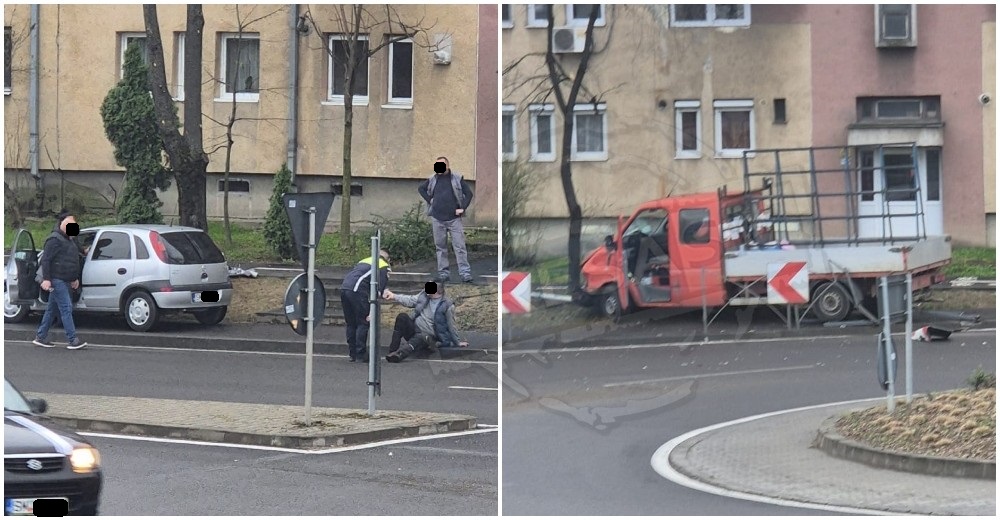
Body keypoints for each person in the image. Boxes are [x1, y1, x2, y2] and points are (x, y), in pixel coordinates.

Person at [33, 210, 88, 350]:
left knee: (52, 309)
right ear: (61, 223)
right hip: (57, 279)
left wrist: (74, 278)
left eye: (73, 222)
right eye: (69, 222)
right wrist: (46, 279)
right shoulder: (54, 240)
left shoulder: (71, 239)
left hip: (65, 279)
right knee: (66, 307)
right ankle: (72, 340)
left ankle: (40, 336)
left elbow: (74, 258)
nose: (72, 225)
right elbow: (46, 260)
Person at [418, 156, 475, 284]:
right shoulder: (432, 179)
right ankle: (444, 273)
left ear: (448, 166)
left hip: (454, 219)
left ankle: (465, 273)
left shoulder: (457, 178)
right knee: (440, 247)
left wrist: (462, 208)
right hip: (437, 218)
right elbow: (421, 189)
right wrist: (430, 200)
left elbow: (469, 194)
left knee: (459, 246)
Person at [383, 281, 468, 363]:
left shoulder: (447, 305)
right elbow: (410, 300)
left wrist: (457, 341)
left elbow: (451, 324)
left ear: (438, 291)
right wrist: (394, 296)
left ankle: (399, 354)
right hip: (414, 330)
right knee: (402, 317)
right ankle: (392, 351)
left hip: (429, 337)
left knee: (421, 337)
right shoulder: (423, 296)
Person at [340, 249, 393, 363]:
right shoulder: (383, 265)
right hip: (357, 291)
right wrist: (372, 310)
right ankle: (360, 354)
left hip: (345, 288)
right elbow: (379, 289)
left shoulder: (364, 260)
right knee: (363, 322)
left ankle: (352, 354)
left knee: (351, 323)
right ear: (388, 259)